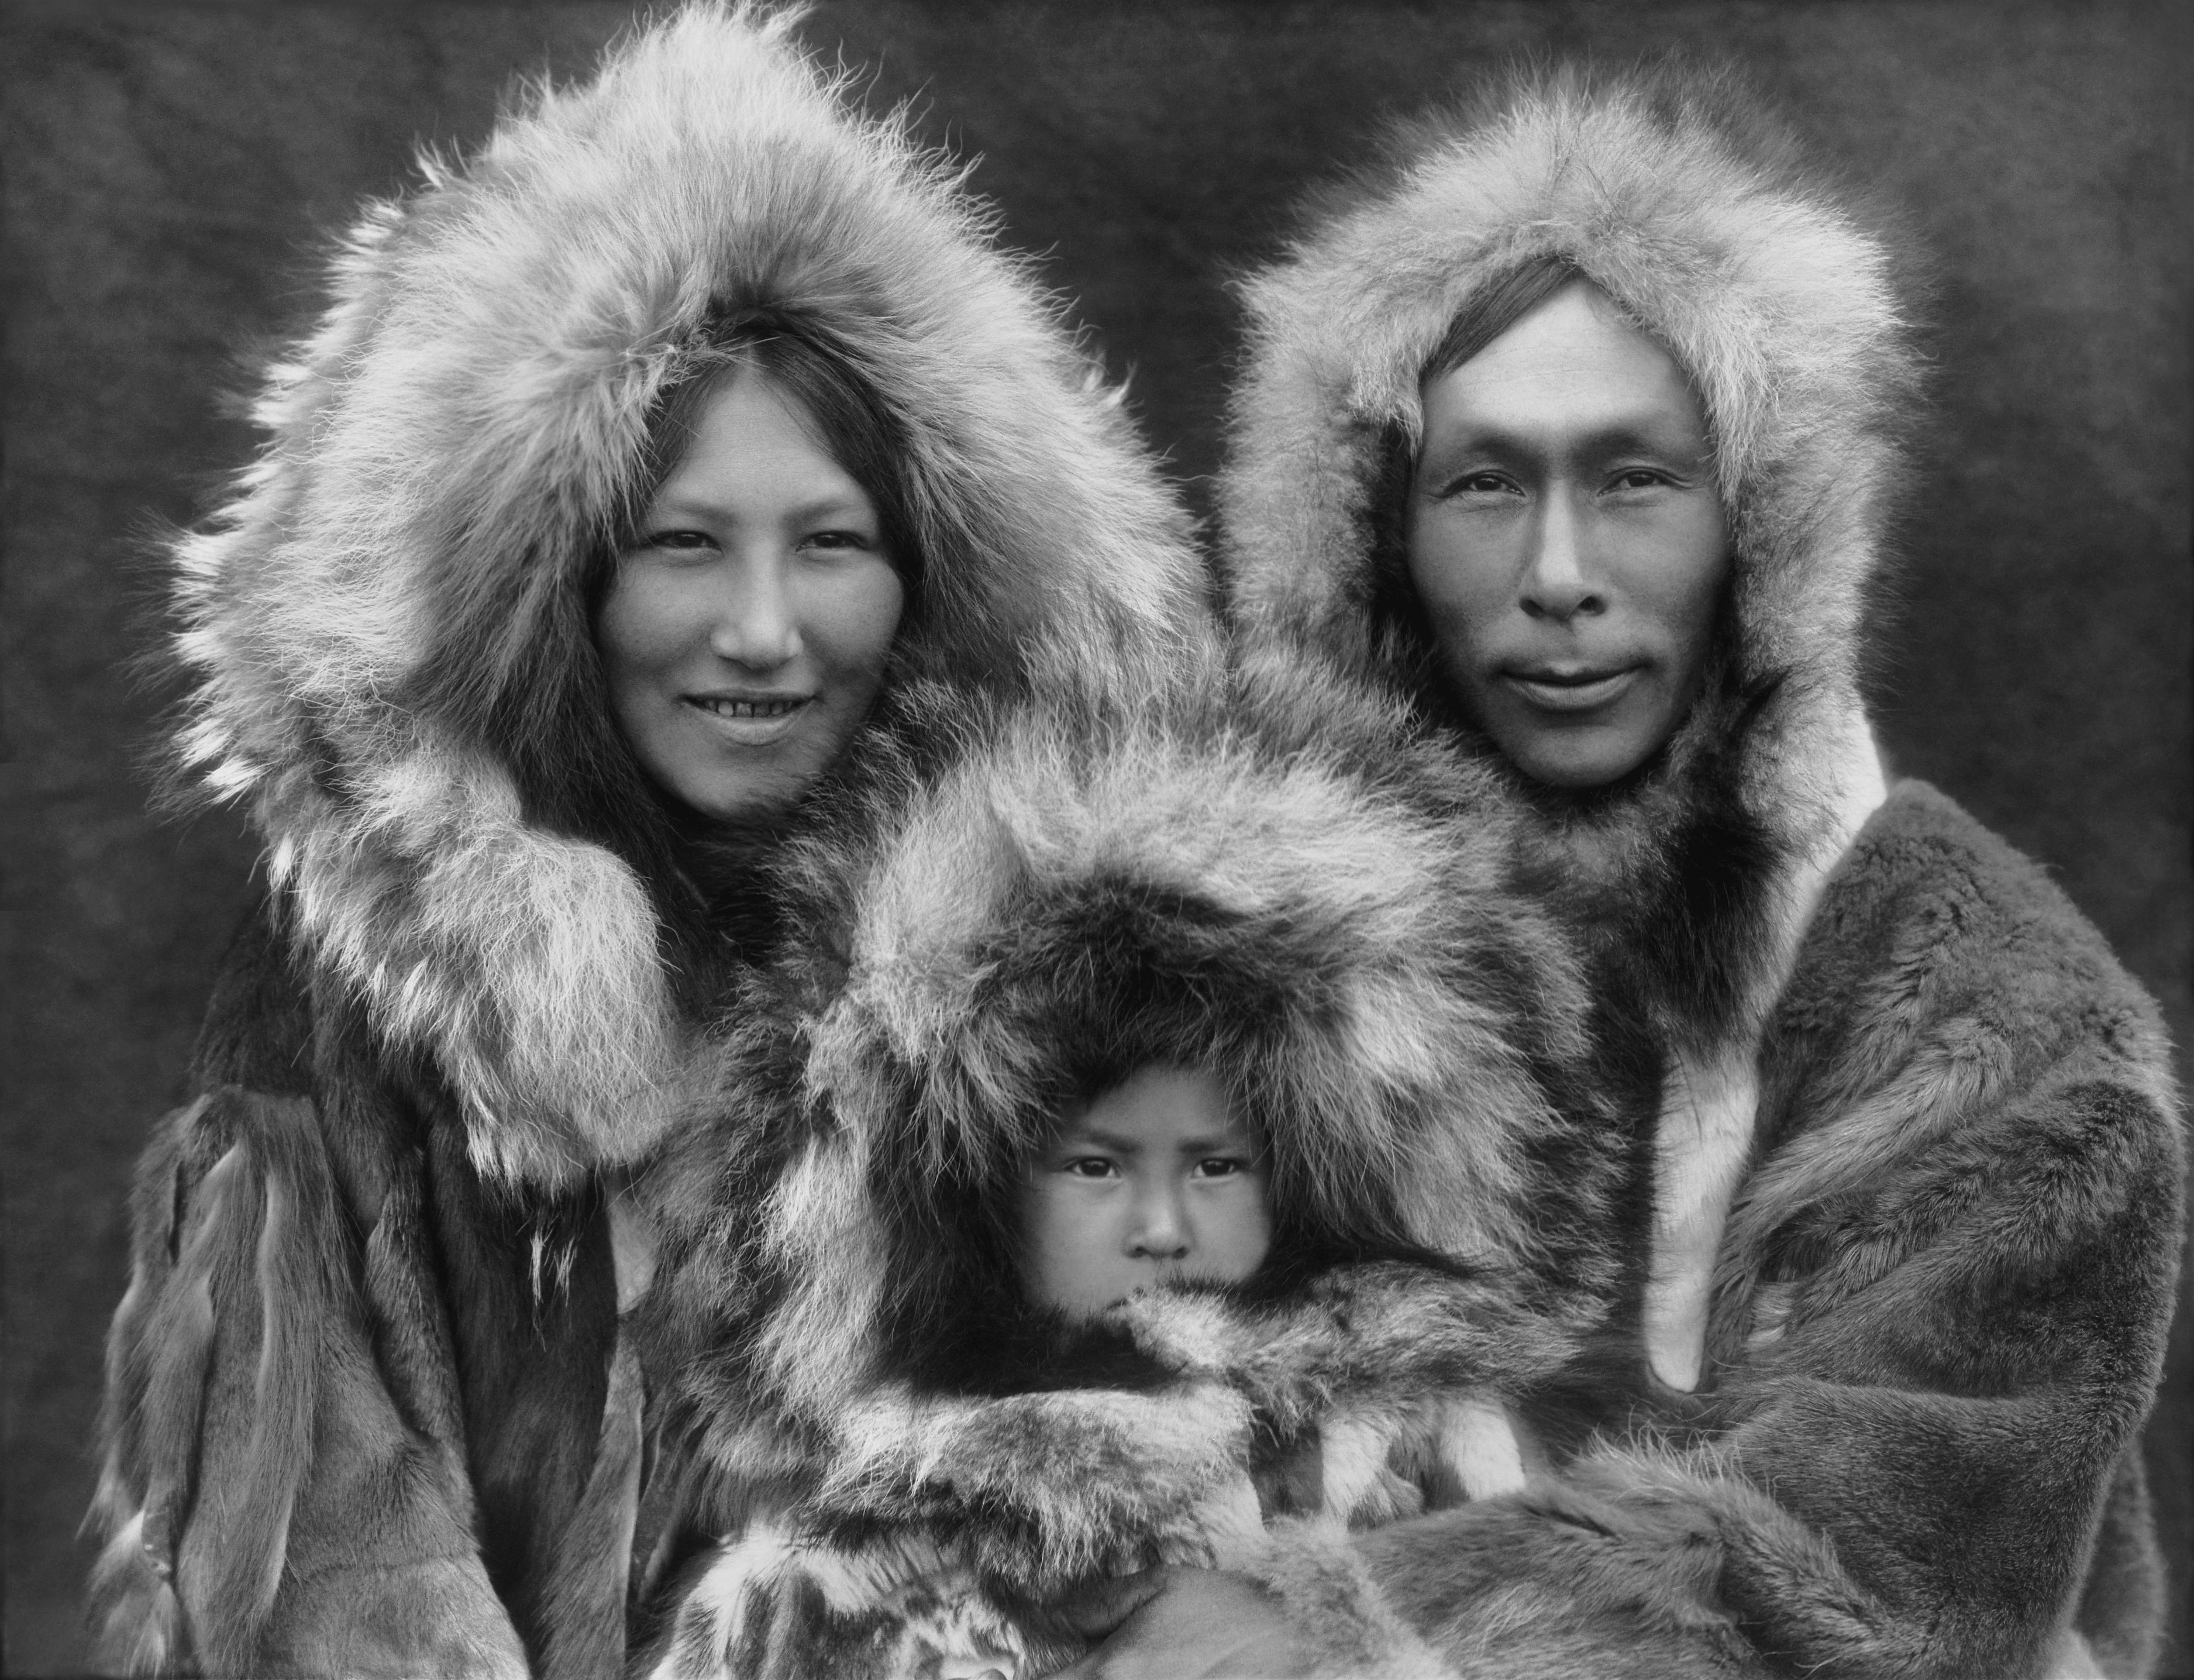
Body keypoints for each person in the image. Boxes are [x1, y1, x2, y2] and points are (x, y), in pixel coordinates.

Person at [85, 7, 1213, 1676]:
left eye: (830, 542)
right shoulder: (371, 997)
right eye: (687, 543)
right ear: (569, 588)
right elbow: (311, 1571)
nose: (762, 631)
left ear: (928, 582)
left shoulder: (1078, 1006)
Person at [1058, 63, 2185, 1679]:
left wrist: (1294, 1633)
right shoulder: (1221, 952)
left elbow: (1895, 1576)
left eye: (1636, 480)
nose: (1563, 578)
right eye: (1487, 485)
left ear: (1760, 532)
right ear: (1376, 540)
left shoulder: (1996, 1005)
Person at [626, 681, 1638, 1679]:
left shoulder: (1431, 1467)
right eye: (1098, 1167)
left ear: (1304, 1192)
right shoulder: (821, 1583)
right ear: (979, 1209)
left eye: (1215, 1166)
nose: (1162, 1226)